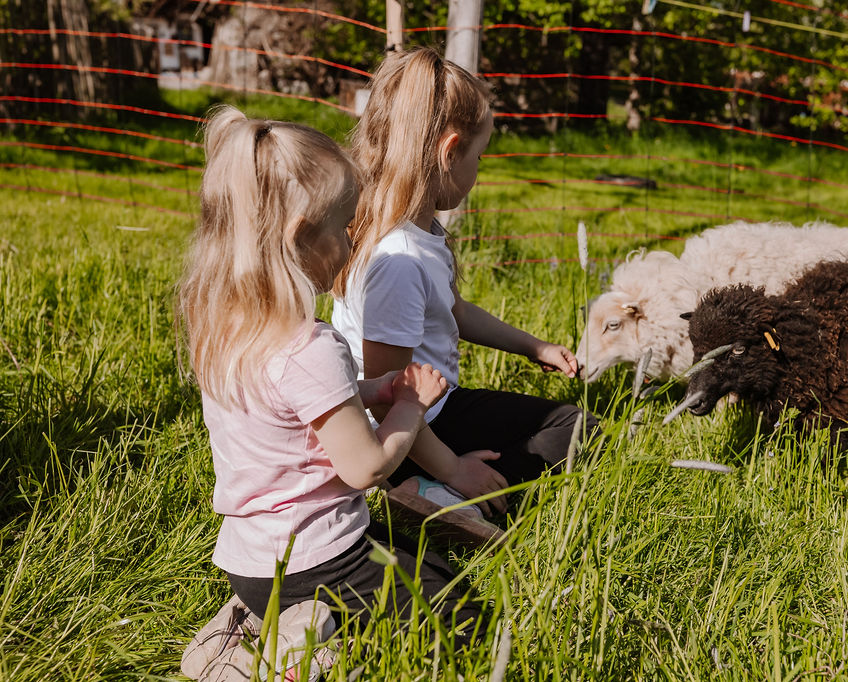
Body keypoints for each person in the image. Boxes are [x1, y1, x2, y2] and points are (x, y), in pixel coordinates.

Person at [176, 105, 480, 642]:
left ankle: (252, 619)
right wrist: (407, 408)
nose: (348, 244)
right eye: (343, 227)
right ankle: (297, 652)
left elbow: (286, 408)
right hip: (315, 563)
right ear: (300, 238)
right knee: (458, 614)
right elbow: (366, 469)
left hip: (250, 566)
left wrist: (368, 389)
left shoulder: (226, 330)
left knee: (410, 563)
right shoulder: (309, 347)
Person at [332, 48, 599, 533]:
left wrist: (532, 346)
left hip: (428, 411)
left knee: (572, 426)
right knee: (576, 433)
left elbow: (451, 309)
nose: (479, 170)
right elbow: (385, 398)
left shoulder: (414, 227)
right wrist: (454, 466)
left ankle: (442, 490)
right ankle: (426, 494)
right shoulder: (400, 260)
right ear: (450, 151)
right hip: (403, 435)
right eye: (479, 156)